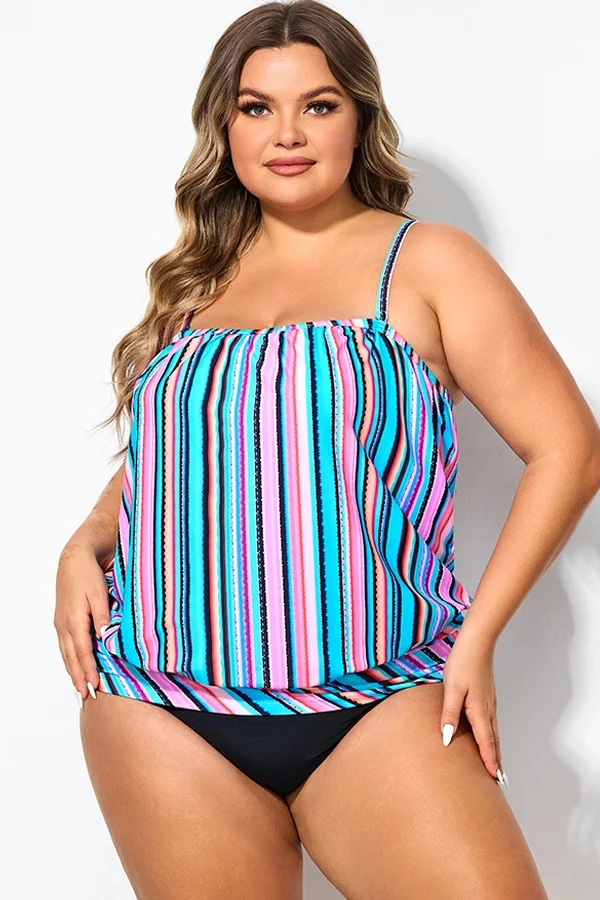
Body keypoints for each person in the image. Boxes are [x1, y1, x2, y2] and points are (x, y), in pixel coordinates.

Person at [54, 2, 600, 897]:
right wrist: (85, 539)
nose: (288, 134)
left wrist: (478, 641)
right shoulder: (197, 284)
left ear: (360, 118)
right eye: (256, 107)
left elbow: (568, 450)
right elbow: (185, 454)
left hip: (381, 701)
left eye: (319, 104)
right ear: (225, 127)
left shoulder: (426, 263)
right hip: (161, 707)